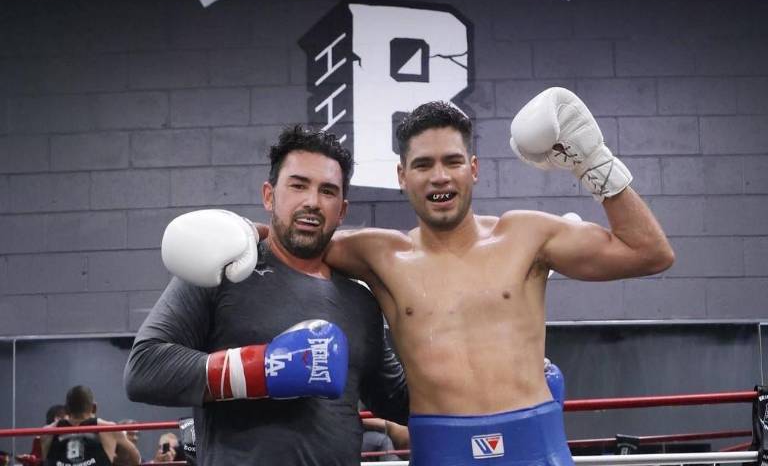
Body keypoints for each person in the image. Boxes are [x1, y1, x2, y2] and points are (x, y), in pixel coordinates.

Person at [167, 88, 675, 464]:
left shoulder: (528, 236)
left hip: (534, 444)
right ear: (401, 176)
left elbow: (649, 252)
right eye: (424, 164)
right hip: (438, 448)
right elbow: (296, 233)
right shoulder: (378, 255)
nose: (439, 175)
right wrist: (231, 230)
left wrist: (594, 161)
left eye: (453, 161)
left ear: (473, 169)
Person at [124, 126, 408, 466]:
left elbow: (398, 400)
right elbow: (144, 369)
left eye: (327, 191)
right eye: (298, 185)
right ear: (269, 195)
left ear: (342, 210)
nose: (312, 202)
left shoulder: (360, 298)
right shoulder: (224, 268)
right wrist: (262, 369)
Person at [41, 385, 140, 466]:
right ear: (94, 408)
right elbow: (136, 459)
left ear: (66, 409)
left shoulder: (47, 432)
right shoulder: (109, 429)